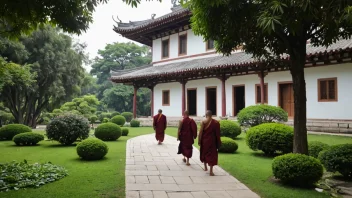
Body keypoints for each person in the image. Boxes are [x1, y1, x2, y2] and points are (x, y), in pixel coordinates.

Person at [198, 110, 221, 176]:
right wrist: (218, 142)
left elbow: (200, 133)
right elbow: (218, 134)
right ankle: (211, 171)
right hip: (212, 142)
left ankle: (205, 167)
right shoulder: (216, 123)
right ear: (211, 115)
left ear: (206, 115)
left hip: (205, 141)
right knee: (212, 155)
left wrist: (199, 141)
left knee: (204, 153)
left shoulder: (203, 122)